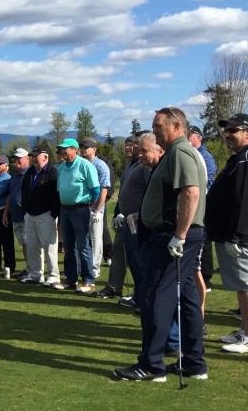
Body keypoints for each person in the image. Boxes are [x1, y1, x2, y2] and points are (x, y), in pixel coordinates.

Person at [113, 107, 207, 382]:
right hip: (174, 234)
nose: (154, 131)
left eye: (157, 127)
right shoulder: (176, 152)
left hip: (171, 236)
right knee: (187, 297)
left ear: (175, 126)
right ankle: (193, 363)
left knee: (154, 295)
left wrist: (179, 234)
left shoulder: (179, 151)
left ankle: (152, 365)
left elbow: (191, 192)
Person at [208, 113, 248, 355]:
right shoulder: (239, 158)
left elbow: (245, 201)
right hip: (231, 234)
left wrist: (236, 235)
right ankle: (245, 330)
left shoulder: (247, 160)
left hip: (242, 236)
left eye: (234, 131)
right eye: (227, 131)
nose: (228, 135)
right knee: (241, 285)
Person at [98, 135, 152, 302]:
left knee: (138, 259)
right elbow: (124, 192)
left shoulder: (145, 166)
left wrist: (137, 213)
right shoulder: (130, 165)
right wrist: (116, 213)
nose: (129, 148)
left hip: (137, 221)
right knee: (118, 251)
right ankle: (115, 287)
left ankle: (141, 294)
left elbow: (148, 193)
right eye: (127, 145)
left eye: (134, 145)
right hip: (125, 219)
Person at [55, 138, 100, 293]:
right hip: (65, 210)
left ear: (74, 149)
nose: (62, 151)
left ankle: (89, 281)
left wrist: (90, 207)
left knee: (82, 246)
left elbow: (95, 190)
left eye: (65, 148)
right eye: (61, 149)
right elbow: (60, 189)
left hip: (81, 209)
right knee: (68, 246)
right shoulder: (61, 168)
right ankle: (71, 279)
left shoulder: (85, 165)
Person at [19, 145, 60, 286]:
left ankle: (53, 276)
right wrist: (26, 211)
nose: (34, 159)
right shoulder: (30, 172)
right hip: (30, 215)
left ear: (46, 157)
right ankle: (35, 274)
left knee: (49, 247)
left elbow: (56, 195)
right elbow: (24, 192)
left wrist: (53, 214)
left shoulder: (53, 172)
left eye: (37, 156)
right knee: (32, 246)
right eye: (33, 156)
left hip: (46, 214)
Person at [188, 126, 217, 290]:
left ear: (198, 137)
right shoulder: (193, 154)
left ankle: (206, 276)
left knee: (204, 240)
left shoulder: (205, 156)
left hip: (205, 201)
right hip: (198, 200)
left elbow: (206, 181)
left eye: (189, 135)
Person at [80, 139, 111, 278]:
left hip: (95, 209)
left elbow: (104, 189)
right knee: (83, 239)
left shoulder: (101, 166)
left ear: (94, 149)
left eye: (87, 147)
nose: (84, 149)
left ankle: (95, 268)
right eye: (82, 147)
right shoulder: (81, 164)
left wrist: (97, 210)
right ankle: (84, 267)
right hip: (82, 207)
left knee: (95, 239)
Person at [3, 148, 31, 280]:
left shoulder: (31, 174)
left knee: (29, 243)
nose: (16, 161)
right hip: (16, 216)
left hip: (28, 216)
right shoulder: (14, 177)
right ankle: (29, 268)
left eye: (19, 158)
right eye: (14, 158)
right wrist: (5, 213)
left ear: (27, 159)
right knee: (24, 243)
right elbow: (9, 196)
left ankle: (33, 270)